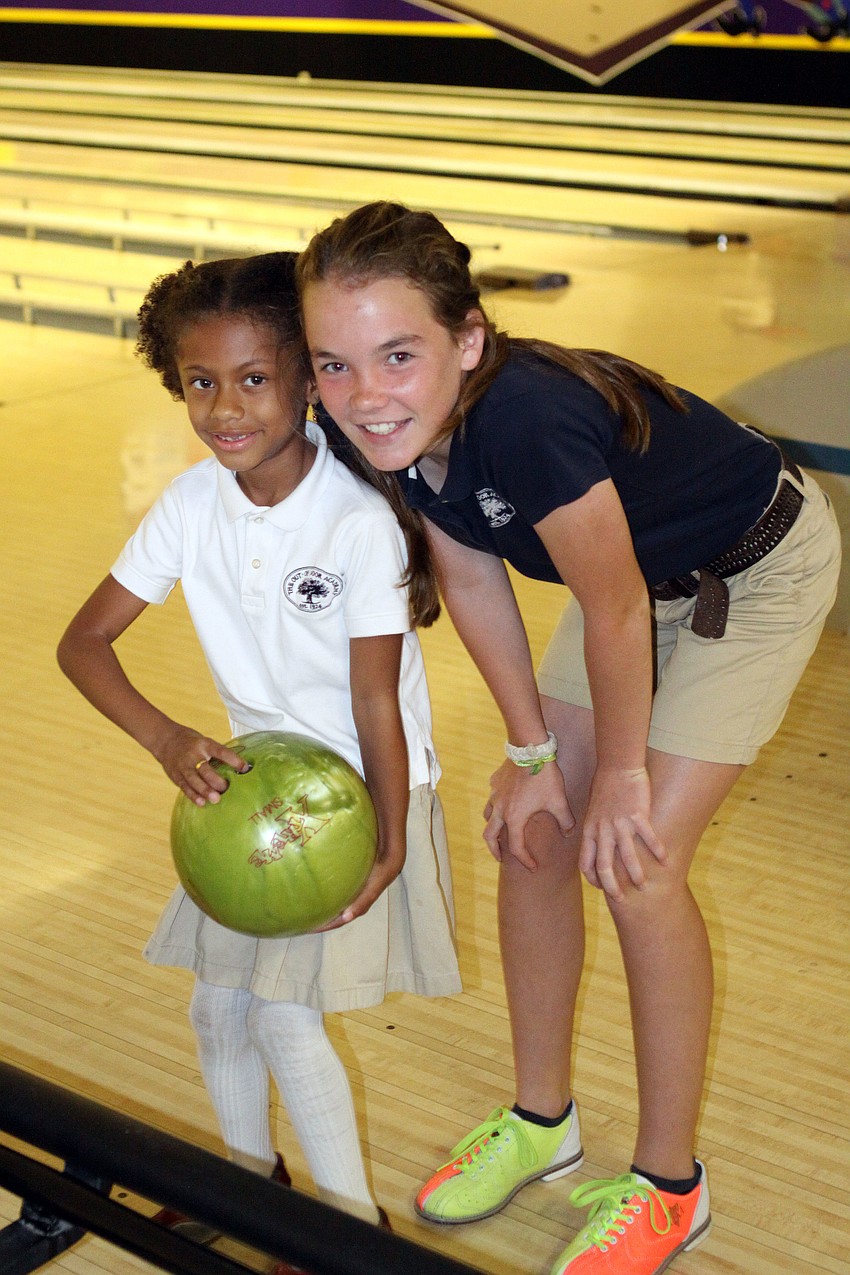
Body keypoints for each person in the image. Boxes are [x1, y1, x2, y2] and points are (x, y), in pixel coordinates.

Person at [295, 201, 842, 1275]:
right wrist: (535, 760)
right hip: (635, 589)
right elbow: (467, 573)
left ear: (468, 338)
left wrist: (623, 776)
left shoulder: (529, 420)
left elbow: (616, 611)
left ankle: (670, 1188)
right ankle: (543, 1121)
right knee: (532, 833)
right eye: (335, 364)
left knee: (632, 863)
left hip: (752, 575)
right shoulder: (390, 430)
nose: (366, 395)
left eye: (397, 355)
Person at [57, 252, 461, 1269]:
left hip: (358, 801)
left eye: (253, 378)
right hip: (251, 797)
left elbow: (375, 699)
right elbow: (82, 642)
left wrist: (385, 841)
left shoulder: (356, 521)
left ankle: (339, 1238)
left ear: (305, 381)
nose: (225, 407)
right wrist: (164, 737)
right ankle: (244, 1188)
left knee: (285, 1022)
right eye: (201, 381)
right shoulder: (194, 503)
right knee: (215, 1006)